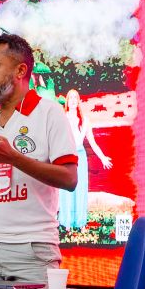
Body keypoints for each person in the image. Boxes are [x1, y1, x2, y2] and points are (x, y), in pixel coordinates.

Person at [0, 33, 78, 283]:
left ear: (20, 71)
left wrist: (14, 158)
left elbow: (70, 179)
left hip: (31, 249)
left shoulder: (49, 113)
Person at [56, 89, 112, 232]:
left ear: (78, 101)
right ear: (67, 101)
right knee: (66, 188)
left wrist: (103, 157)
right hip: (66, 156)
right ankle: (67, 223)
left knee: (80, 188)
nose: (73, 100)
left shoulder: (85, 120)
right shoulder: (62, 118)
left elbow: (92, 142)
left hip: (80, 155)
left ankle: (80, 223)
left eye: (75, 97)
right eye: (71, 97)